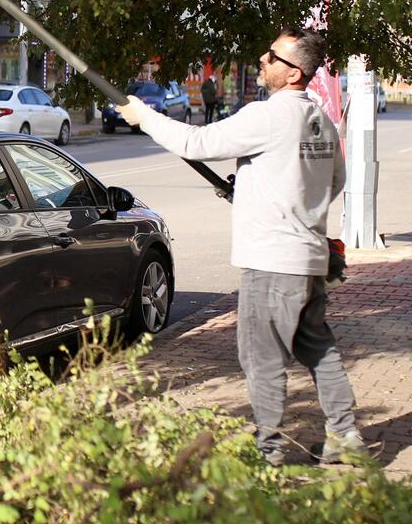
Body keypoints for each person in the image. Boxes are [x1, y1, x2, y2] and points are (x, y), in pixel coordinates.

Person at [116, 28, 365, 466]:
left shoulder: (268, 115)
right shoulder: (320, 121)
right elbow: (335, 181)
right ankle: (345, 438)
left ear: (294, 73)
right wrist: (261, 188)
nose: (263, 59)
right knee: (317, 348)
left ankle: (267, 454)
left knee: (262, 359)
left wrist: (144, 116)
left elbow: (196, 143)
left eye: (272, 56)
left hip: (271, 263)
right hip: (308, 260)